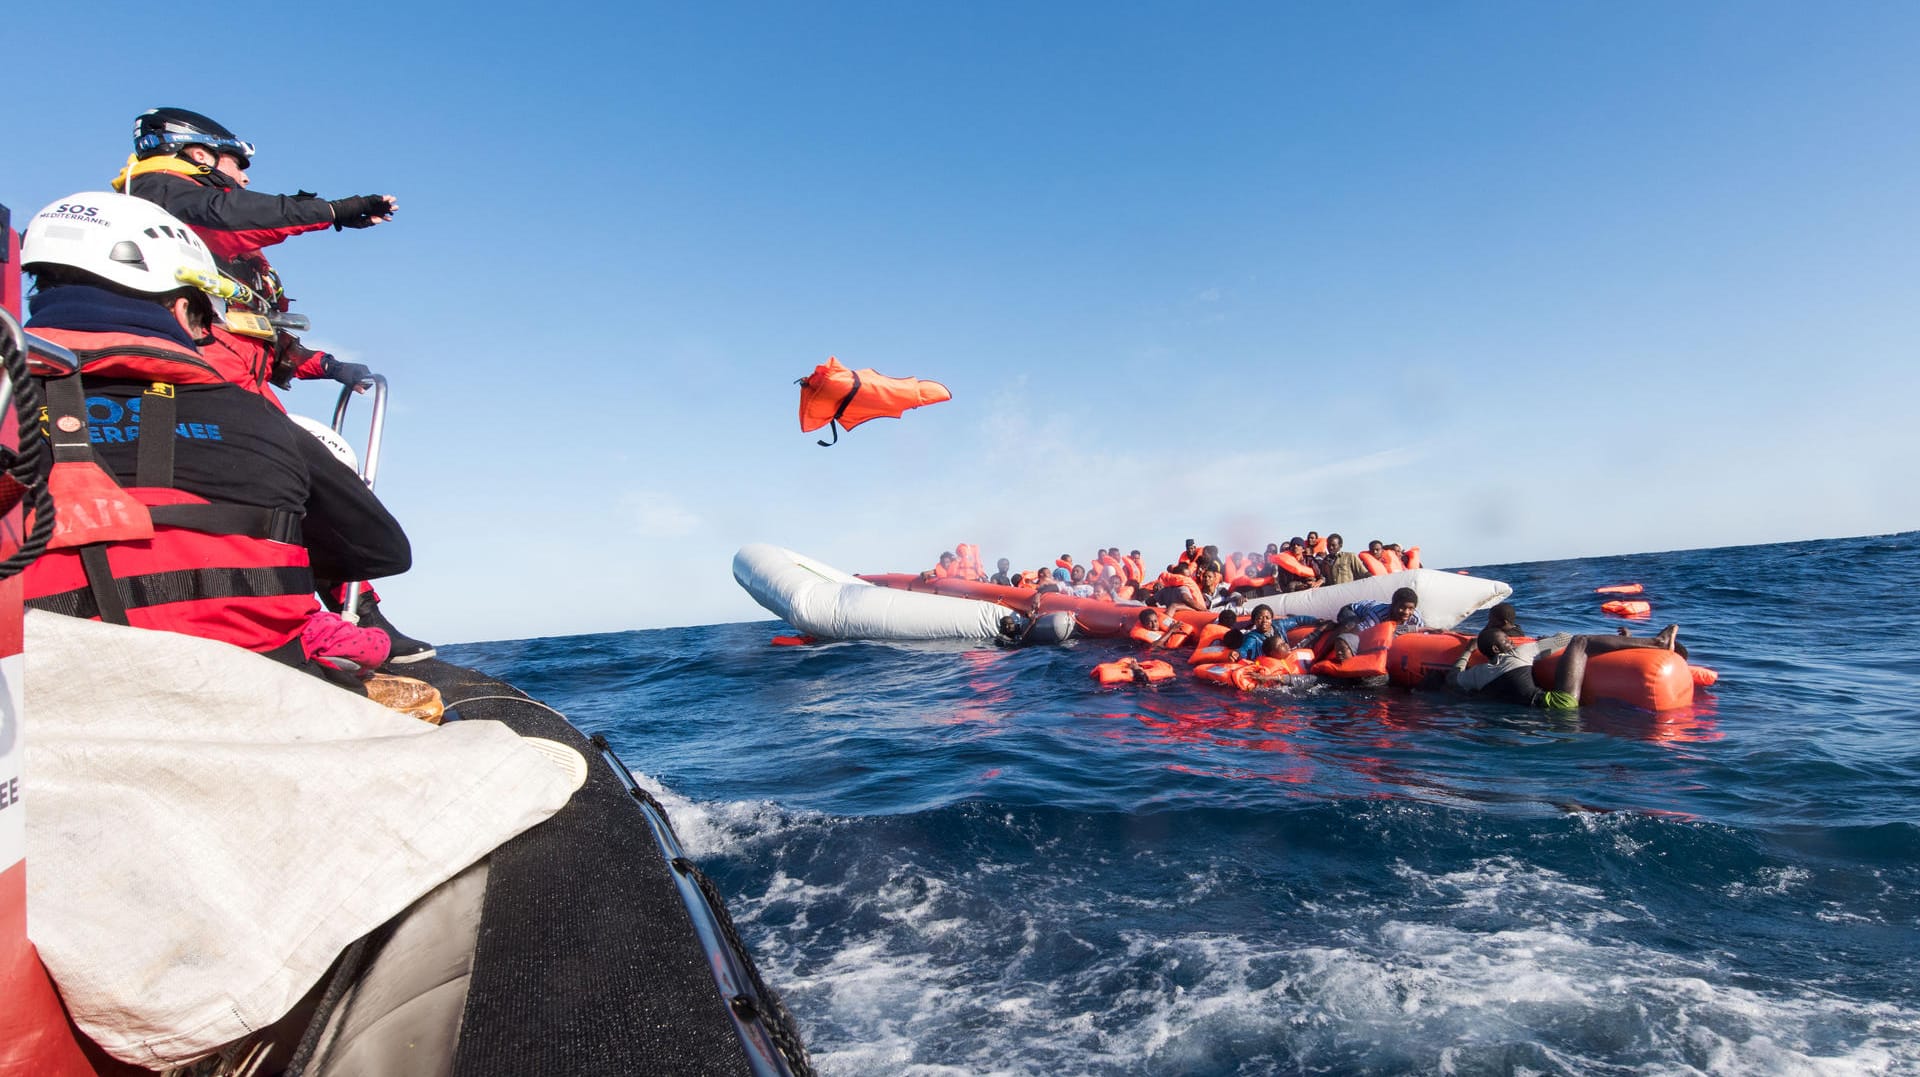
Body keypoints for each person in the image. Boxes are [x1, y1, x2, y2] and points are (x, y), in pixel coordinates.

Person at [17, 192, 411, 686]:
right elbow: (382, 551)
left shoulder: (13, 409)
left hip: (42, 700)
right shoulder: (263, 422)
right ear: (182, 310)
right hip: (253, 692)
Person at [115, 107, 391, 400]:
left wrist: (326, 365)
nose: (244, 179)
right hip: (191, 379)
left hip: (237, 378)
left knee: (310, 446)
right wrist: (332, 211)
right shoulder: (161, 197)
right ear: (200, 155)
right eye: (239, 164)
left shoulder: (221, 244)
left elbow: (253, 324)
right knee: (284, 444)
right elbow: (229, 215)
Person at [1451, 603, 1681, 709]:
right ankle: (1657, 643)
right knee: (1581, 641)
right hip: (1560, 704)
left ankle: (1639, 642)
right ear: (1497, 649)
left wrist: (1468, 651)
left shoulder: (1478, 674)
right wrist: (1541, 639)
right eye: (1506, 640)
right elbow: (1564, 639)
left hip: (1536, 717)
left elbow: (1454, 677)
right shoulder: (1520, 653)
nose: (1511, 641)